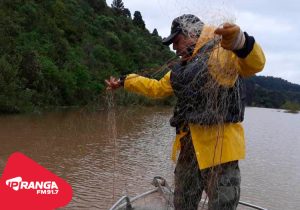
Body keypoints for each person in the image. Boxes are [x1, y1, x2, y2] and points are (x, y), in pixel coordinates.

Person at [105, 14, 265, 210]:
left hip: (220, 153)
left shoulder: (222, 54)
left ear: (192, 34)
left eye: (176, 40)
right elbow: (155, 87)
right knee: (182, 204)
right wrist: (124, 81)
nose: (174, 48)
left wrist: (241, 42)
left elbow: (254, 65)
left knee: (223, 205)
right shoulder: (180, 71)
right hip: (188, 150)